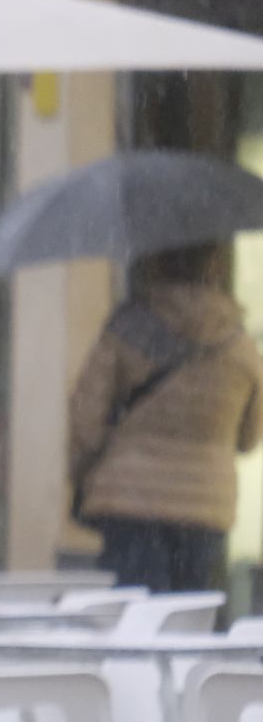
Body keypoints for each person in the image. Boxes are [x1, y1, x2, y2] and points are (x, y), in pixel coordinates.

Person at [70, 243, 263, 592]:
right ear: (216, 266)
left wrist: (79, 471)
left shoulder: (126, 330)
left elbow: (86, 422)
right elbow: (249, 438)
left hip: (131, 502)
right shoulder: (239, 345)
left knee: (135, 624)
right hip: (206, 508)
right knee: (192, 625)